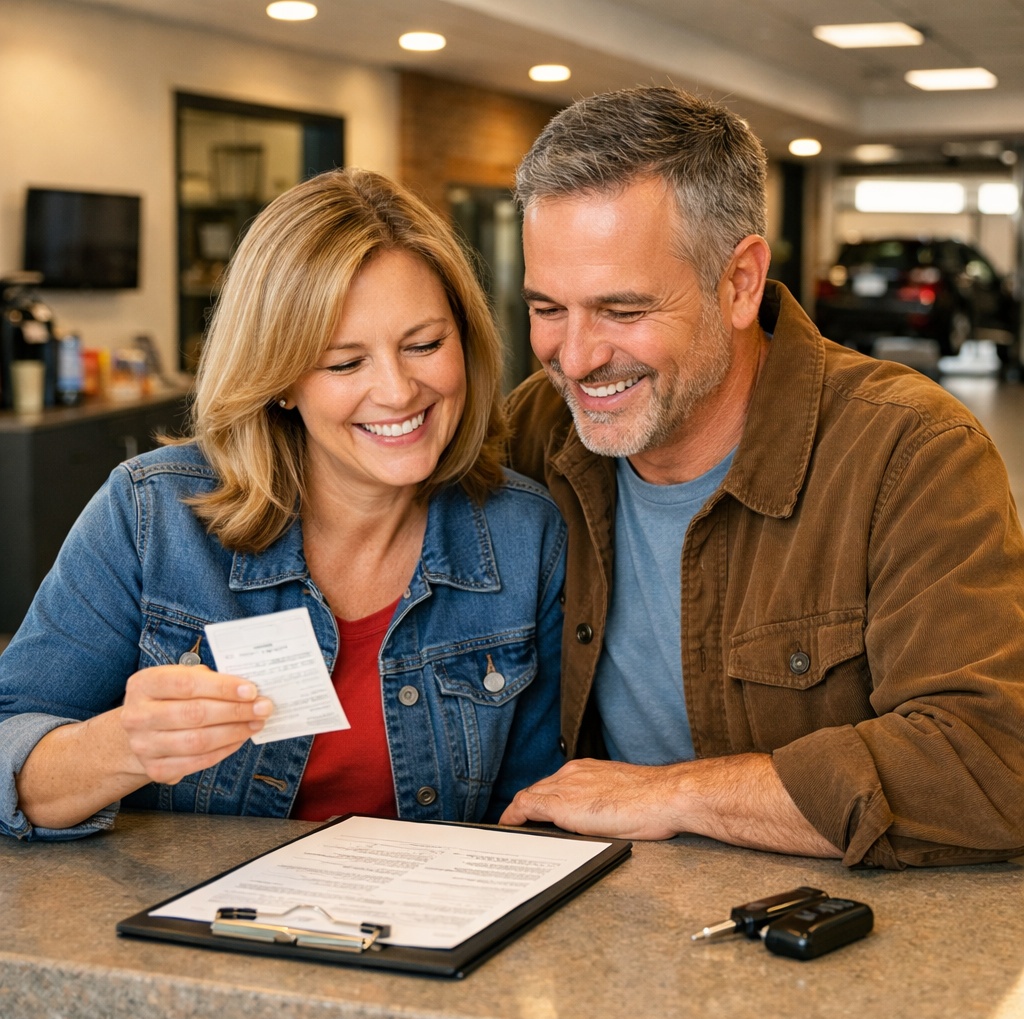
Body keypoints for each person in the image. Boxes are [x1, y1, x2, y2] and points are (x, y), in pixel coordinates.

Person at [498, 85, 1024, 869]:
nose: (575, 360)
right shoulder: (535, 430)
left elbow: (992, 761)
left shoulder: (910, 452)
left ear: (740, 282)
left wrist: (676, 794)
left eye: (623, 310)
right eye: (548, 309)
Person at [0, 168, 566, 841]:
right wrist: (122, 746)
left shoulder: (525, 533)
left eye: (424, 345)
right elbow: (11, 742)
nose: (397, 391)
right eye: (344, 362)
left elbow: (530, 815)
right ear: (280, 380)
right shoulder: (152, 516)